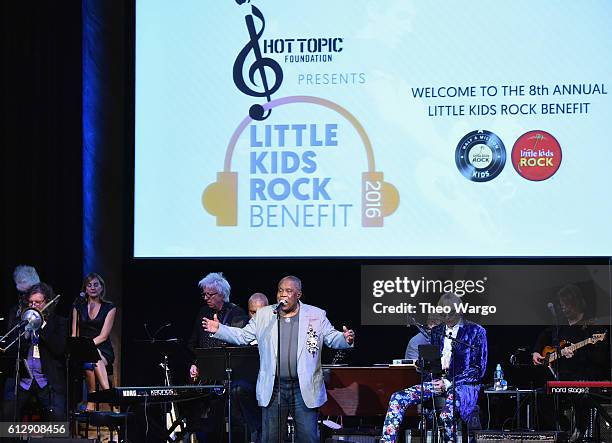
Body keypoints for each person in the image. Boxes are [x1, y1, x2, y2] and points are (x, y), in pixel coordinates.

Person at [202, 275, 355, 443]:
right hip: (274, 387)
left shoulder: (316, 315)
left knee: (308, 438)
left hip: (303, 387)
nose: (283, 295)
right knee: (271, 438)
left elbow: (333, 338)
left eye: (288, 291)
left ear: (298, 295)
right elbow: (243, 336)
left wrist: (345, 338)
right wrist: (220, 329)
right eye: (280, 291)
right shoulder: (265, 315)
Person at [381, 293, 488, 443]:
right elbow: (433, 364)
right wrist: (423, 364)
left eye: (451, 313)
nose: (448, 318)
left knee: (446, 415)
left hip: (463, 386)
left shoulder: (476, 331)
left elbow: (478, 369)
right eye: (444, 314)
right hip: (437, 383)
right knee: (397, 398)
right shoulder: (437, 331)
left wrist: (449, 382)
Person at [531, 284, 609, 440]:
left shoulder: (591, 327)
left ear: (578, 303)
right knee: (539, 396)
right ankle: (562, 431)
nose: (564, 308)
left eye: (567, 304)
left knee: (580, 397)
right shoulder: (559, 327)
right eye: (562, 305)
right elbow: (543, 338)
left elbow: (601, 358)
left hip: (583, 377)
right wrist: (536, 352)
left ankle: (579, 433)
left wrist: (579, 353)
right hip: (560, 379)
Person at [187, 272, 248, 442]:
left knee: (227, 421)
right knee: (202, 423)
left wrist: (220, 330)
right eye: (204, 294)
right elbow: (194, 343)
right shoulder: (202, 312)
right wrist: (195, 363)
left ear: (222, 294)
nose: (206, 297)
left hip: (227, 379)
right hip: (205, 378)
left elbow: (240, 345)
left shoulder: (236, 313)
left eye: (210, 294)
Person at [2, 283, 67, 421]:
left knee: (58, 417)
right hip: (22, 380)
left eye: (37, 302)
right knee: (7, 413)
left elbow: (59, 349)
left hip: (47, 380)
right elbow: (10, 350)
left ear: (47, 302)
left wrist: (41, 326)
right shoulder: (21, 321)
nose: (33, 306)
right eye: (30, 302)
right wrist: (25, 333)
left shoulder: (59, 322)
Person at [71, 272, 116, 411]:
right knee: (90, 359)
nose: (92, 288)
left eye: (96, 285)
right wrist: (77, 348)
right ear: (85, 289)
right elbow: (74, 333)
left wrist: (87, 347)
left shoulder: (109, 307)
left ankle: (92, 400)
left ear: (101, 287)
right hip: (83, 348)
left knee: (93, 357)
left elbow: (103, 336)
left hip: (103, 349)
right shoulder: (78, 307)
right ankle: (111, 397)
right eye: (89, 285)